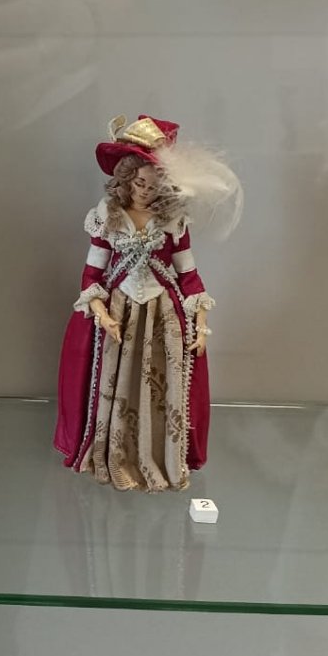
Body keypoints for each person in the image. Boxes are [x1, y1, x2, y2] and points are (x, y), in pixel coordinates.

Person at [55, 115, 242, 492]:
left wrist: (201, 322)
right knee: (117, 381)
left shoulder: (173, 221)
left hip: (162, 313)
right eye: (139, 183)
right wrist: (102, 313)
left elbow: (189, 275)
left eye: (153, 186)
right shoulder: (108, 216)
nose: (145, 191)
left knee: (159, 384)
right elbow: (92, 275)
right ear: (126, 180)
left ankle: (158, 454)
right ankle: (115, 453)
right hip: (119, 311)